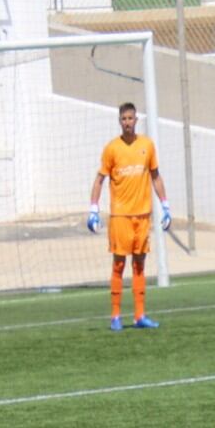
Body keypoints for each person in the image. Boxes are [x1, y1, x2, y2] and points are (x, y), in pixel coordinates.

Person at [88, 102, 170, 332]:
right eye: (123, 119)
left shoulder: (147, 146)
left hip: (143, 215)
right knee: (119, 264)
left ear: (136, 120)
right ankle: (115, 316)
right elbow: (99, 180)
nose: (127, 123)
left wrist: (166, 205)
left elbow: (156, 176)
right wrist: (93, 208)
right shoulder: (112, 149)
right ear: (119, 121)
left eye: (130, 118)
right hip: (121, 216)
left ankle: (139, 315)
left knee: (140, 265)